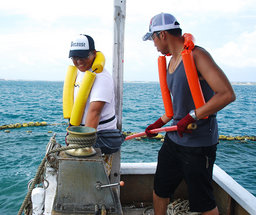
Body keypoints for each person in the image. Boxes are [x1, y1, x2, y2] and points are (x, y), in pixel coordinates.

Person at [142, 13, 236, 215]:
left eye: (153, 38)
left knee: (203, 202)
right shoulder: (171, 62)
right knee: (160, 189)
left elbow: (227, 94)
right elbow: (177, 108)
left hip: (198, 146)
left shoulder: (197, 56)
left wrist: (192, 116)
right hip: (174, 141)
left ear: (163, 34)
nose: (154, 44)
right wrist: (157, 124)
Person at [65, 34, 124, 160]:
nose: (79, 61)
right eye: (75, 57)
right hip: (82, 133)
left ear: (93, 53)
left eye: (83, 56)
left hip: (101, 136)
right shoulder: (80, 72)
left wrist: (82, 147)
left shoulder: (101, 77)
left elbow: (94, 112)